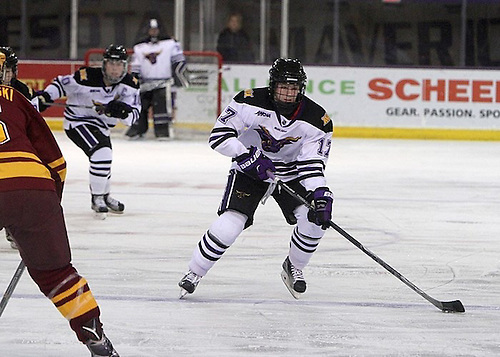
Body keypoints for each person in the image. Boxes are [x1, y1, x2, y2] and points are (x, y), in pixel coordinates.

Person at [178, 58, 334, 299]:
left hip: (291, 173)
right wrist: (245, 155)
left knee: (314, 221)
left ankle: (294, 267)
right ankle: (194, 272)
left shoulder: (317, 119)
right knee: (230, 224)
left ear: (301, 88)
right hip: (250, 169)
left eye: (293, 88)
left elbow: (312, 165)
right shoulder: (248, 101)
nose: (288, 93)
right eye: (283, 86)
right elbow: (219, 137)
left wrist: (320, 193)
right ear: (273, 85)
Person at [0, 81, 119, 356]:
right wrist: (47, 206)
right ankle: (95, 338)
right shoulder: (15, 97)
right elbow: (57, 163)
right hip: (34, 188)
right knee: (56, 273)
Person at [37, 44, 141, 218]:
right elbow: (61, 84)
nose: (115, 69)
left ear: (125, 66)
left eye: (119, 65)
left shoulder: (131, 84)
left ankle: (105, 195)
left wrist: (122, 112)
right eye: (111, 64)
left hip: (101, 127)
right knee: (102, 153)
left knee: (105, 158)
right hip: (77, 123)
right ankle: (97, 198)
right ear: (104, 64)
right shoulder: (86, 77)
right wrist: (45, 97)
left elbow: (133, 117)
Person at [125, 18, 189, 140]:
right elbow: (136, 67)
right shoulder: (140, 47)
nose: (153, 32)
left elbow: (179, 61)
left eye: (155, 29)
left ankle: (162, 132)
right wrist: (134, 81)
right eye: (151, 29)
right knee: (140, 107)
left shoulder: (170, 44)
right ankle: (137, 130)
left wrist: (179, 78)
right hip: (145, 83)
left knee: (161, 109)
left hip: (163, 83)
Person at [0, 46, 36, 249]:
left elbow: (34, 124)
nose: (6, 74)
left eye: (9, 70)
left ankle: (12, 226)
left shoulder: (24, 92)